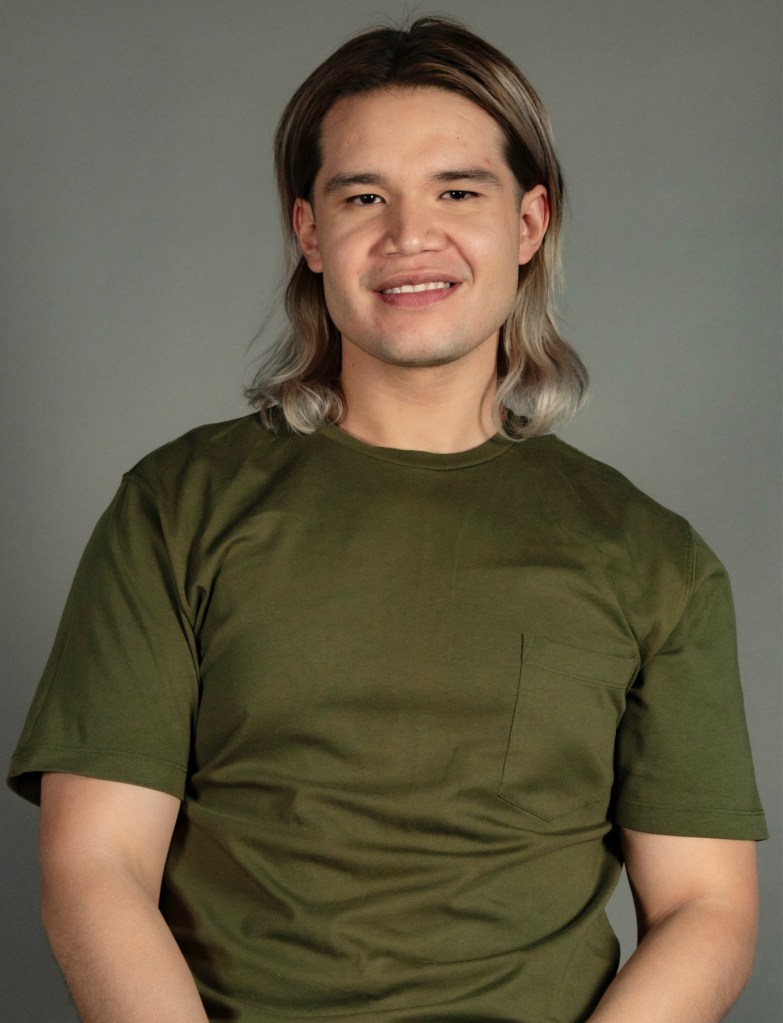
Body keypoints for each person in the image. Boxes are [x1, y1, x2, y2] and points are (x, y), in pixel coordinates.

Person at [7, 16, 767, 1023]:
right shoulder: (175, 506)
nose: (410, 235)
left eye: (458, 191)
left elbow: (707, 907)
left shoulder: (654, 558)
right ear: (309, 233)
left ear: (529, 224)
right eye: (363, 197)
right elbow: (96, 866)